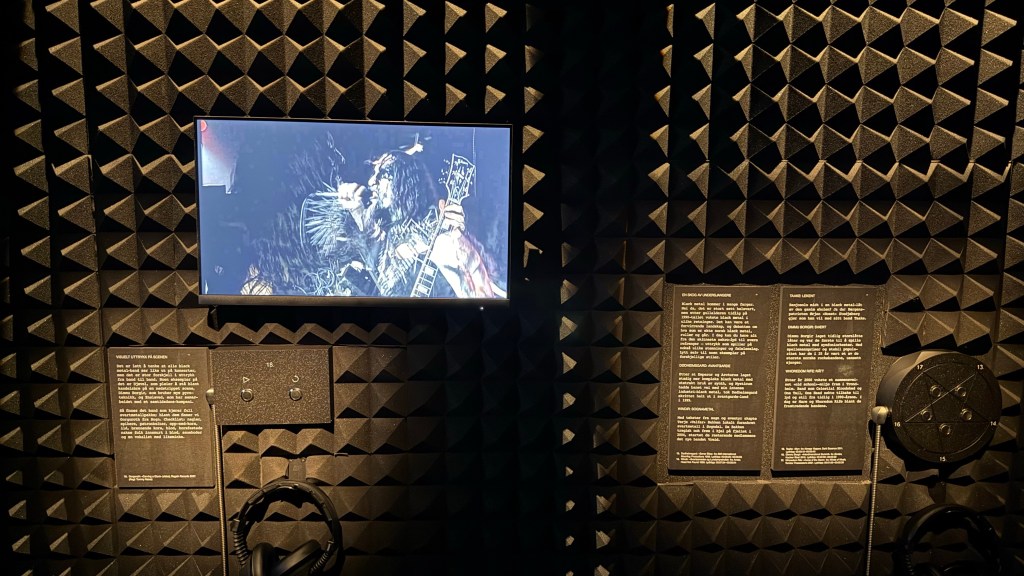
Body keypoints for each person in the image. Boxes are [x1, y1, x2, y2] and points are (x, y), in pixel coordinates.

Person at [305, 149, 505, 298]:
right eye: (373, 173)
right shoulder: (389, 240)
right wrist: (357, 212)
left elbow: (481, 301)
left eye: (383, 174)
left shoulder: (444, 241)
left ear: (406, 182)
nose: (372, 181)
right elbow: (383, 283)